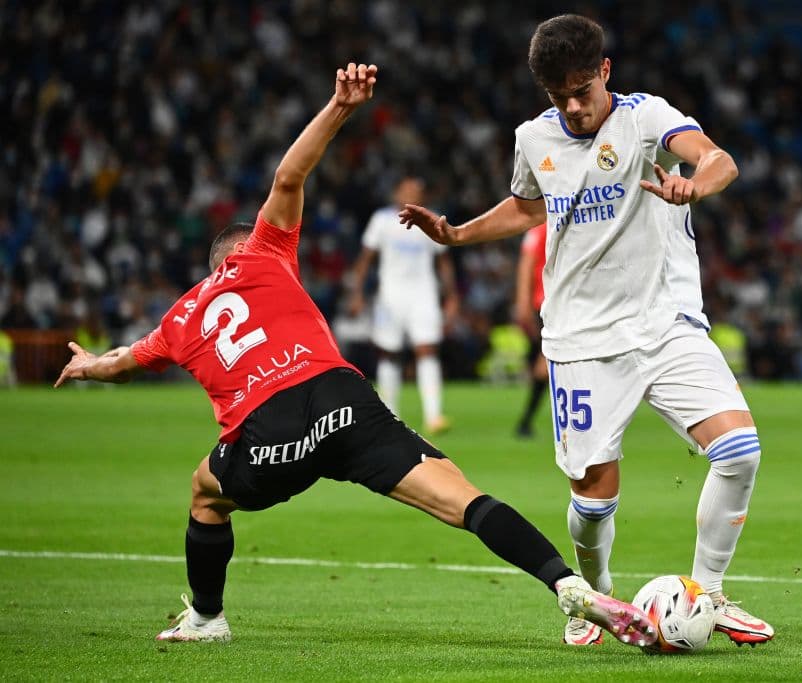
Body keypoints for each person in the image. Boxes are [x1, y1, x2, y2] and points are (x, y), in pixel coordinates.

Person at [53, 63, 655, 649]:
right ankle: (567, 584)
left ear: (211, 266)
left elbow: (125, 361)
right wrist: (339, 107)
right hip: (342, 402)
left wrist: (88, 366)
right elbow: (289, 178)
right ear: (241, 250)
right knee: (464, 500)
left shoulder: (180, 317)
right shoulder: (264, 252)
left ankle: (207, 618)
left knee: (206, 493)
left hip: (268, 434)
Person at [401, 15, 774, 647]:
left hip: (665, 323)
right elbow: (526, 205)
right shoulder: (532, 138)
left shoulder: (645, 117)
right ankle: (593, 601)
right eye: (558, 96)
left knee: (739, 452)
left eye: (582, 89)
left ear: (605, 71)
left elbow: (719, 160)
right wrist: (458, 234)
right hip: (581, 340)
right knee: (594, 496)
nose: (574, 107)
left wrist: (693, 185)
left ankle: (707, 593)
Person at [348, 176, 456, 435]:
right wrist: (357, 293)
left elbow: (443, 262)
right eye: (406, 190)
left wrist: (452, 296)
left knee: (427, 349)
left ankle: (433, 415)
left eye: (416, 191)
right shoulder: (382, 220)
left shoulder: (430, 220)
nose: (410, 195)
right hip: (390, 295)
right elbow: (365, 259)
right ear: (396, 192)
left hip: (424, 294)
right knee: (389, 352)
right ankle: (390, 415)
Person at [512, 223, 548, 438]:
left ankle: (525, 422)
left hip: (559, 303)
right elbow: (526, 265)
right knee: (544, 366)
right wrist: (523, 303)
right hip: (545, 304)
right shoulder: (539, 229)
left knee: (545, 364)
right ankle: (525, 422)